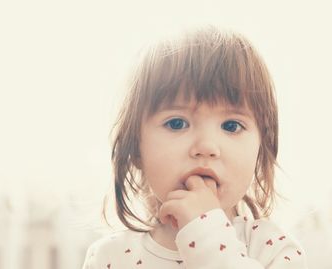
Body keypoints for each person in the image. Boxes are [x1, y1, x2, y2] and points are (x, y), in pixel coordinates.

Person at [82, 26, 307, 268]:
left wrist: (207, 235)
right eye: (177, 123)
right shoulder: (109, 257)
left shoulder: (273, 249)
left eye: (231, 126)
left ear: (261, 147)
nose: (206, 147)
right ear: (135, 148)